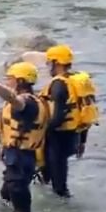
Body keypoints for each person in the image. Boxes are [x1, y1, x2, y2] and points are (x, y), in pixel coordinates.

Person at [0, 61, 47, 212]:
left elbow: (15, 101)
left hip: (21, 155)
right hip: (19, 155)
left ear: (21, 81)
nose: (7, 82)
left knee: (16, 189)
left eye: (10, 78)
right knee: (6, 194)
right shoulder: (35, 101)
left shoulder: (28, 103)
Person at [40, 44, 81, 199]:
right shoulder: (74, 80)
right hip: (73, 135)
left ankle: (61, 205)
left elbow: (57, 118)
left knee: (58, 185)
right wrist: (82, 141)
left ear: (56, 63)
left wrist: (41, 131)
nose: (48, 66)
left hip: (58, 136)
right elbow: (83, 111)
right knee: (58, 173)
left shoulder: (58, 85)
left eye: (49, 63)